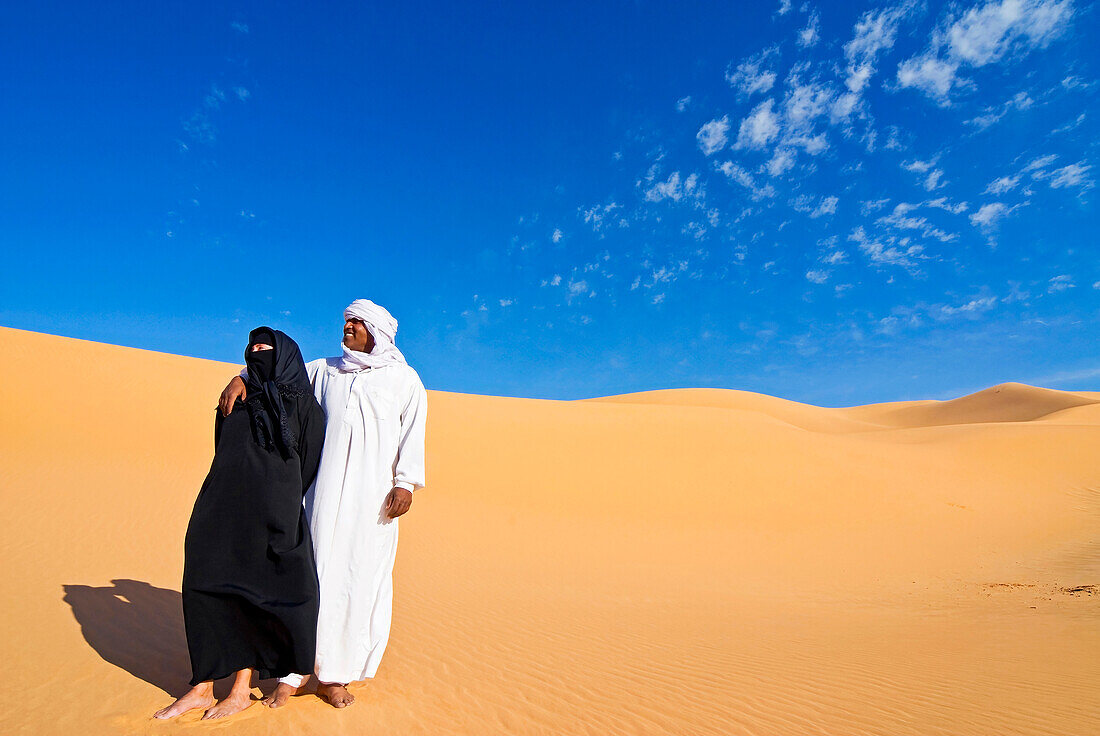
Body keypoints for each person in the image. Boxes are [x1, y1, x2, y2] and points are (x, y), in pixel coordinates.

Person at [218, 299, 427, 709]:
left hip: (373, 504)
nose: (347, 328)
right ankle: (293, 673)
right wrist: (243, 376)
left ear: (377, 331)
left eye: (357, 323)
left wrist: (406, 483)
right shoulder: (324, 370)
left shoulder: (404, 381)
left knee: (356, 581)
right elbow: (281, 371)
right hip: (321, 494)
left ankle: (334, 676)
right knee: (310, 577)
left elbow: (412, 435)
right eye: (346, 322)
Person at [154, 328, 325, 720]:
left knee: (255, 594)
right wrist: (241, 379)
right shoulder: (235, 396)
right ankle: (200, 687)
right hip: (220, 503)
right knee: (203, 585)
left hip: (272, 513)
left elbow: (308, 463)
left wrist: (279, 500)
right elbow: (223, 446)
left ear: (284, 357)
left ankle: (239, 689)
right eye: (252, 349)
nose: (256, 353)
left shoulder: (305, 408)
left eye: (266, 349)